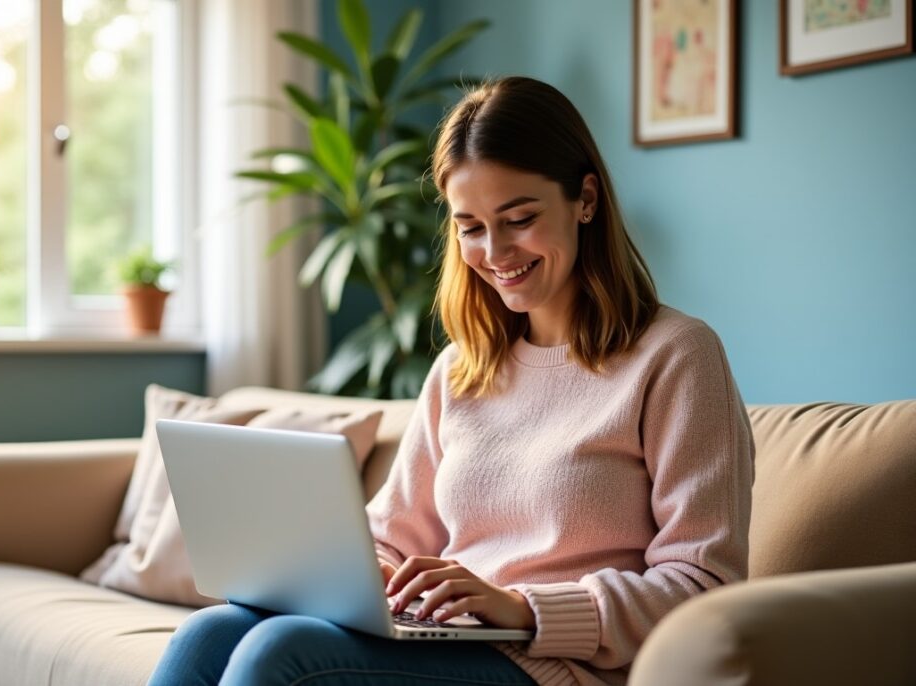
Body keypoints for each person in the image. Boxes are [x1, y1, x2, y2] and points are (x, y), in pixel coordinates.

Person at [147, 76, 753, 686]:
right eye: (471, 227)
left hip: (558, 667)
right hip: (451, 640)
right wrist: (370, 576)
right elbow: (391, 536)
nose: (496, 252)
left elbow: (703, 585)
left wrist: (522, 607)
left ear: (586, 199)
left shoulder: (675, 356)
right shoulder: (462, 371)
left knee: (280, 652)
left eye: (520, 218)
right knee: (209, 633)